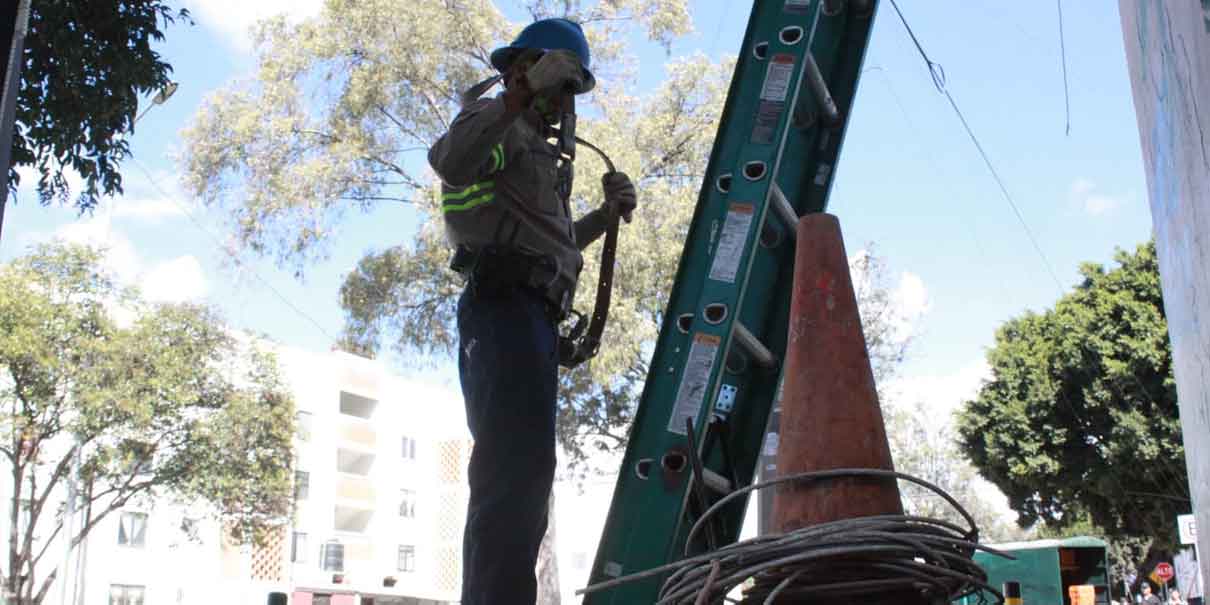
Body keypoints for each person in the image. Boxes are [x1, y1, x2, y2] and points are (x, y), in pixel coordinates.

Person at [428, 17, 637, 605]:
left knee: (525, 476)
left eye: (571, 88)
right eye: (560, 80)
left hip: (530, 318)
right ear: (523, 68)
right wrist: (516, 97)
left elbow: (553, 248)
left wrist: (603, 214)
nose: (564, 99)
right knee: (511, 477)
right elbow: (451, 160)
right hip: (502, 311)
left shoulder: (537, 152)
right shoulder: (495, 119)